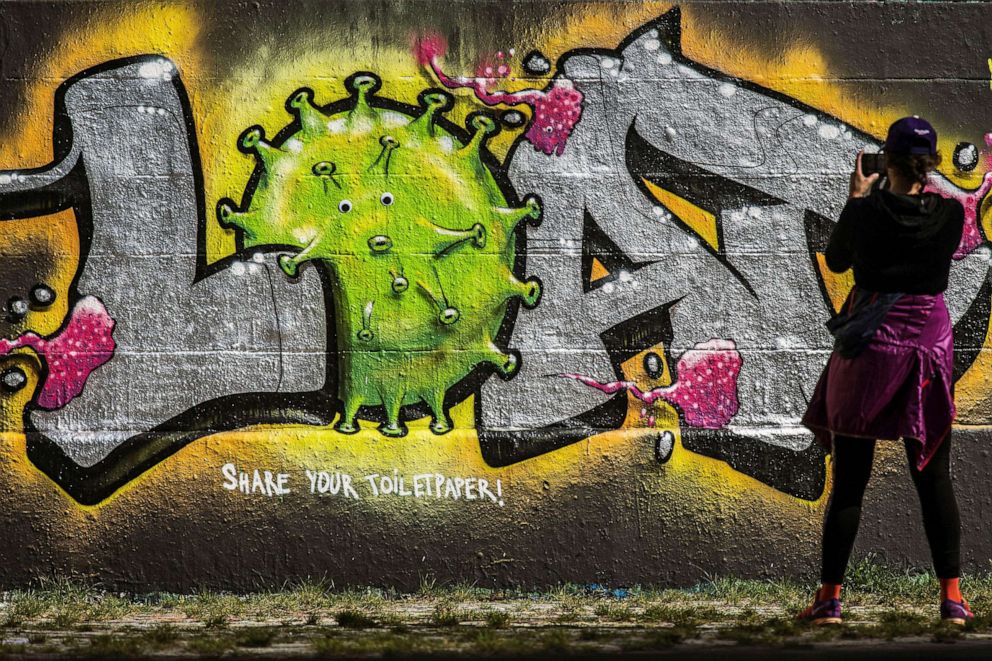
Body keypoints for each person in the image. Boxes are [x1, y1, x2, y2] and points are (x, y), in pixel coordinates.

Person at [798, 116, 972, 625]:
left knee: (851, 479)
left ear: (886, 160)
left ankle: (830, 599)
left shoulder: (867, 212)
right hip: (925, 346)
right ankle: (952, 600)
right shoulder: (950, 215)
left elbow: (834, 261)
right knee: (933, 474)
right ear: (930, 163)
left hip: (870, 345)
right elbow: (932, 244)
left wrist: (856, 199)